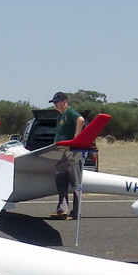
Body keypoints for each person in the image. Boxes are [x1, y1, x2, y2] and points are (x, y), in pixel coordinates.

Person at [50, 91, 84, 219]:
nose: (55, 105)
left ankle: (76, 212)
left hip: (72, 152)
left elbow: (80, 119)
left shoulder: (69, 112)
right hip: (62, 153)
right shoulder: (60, 115)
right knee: (61, 180)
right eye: (54, 103)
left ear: (64, 101)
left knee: (75, 183)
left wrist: (76, 137)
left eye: (56, 102)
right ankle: (62, 209)